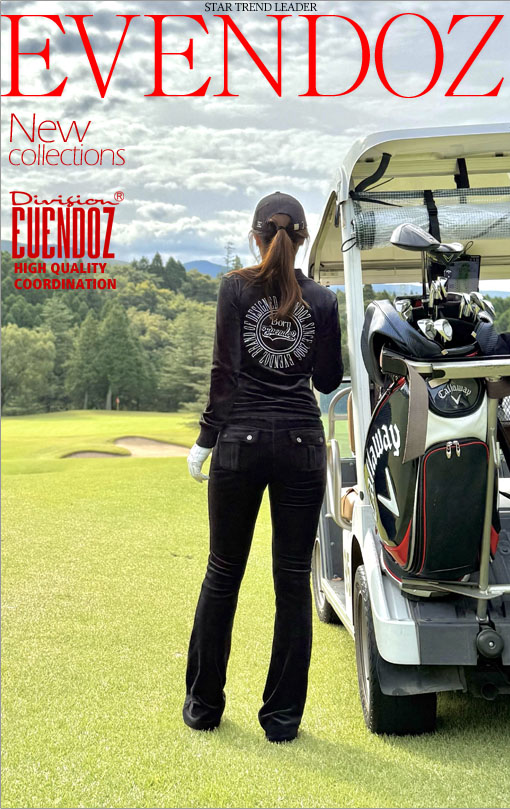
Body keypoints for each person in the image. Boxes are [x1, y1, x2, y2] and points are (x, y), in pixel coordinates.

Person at [184, 191, 344, 743]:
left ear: (256, 237)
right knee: (293, 579)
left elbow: (224, 373)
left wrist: (205, 439)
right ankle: (281, 720)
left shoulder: (235, 288)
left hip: (240, 443)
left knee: (223, 572)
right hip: (302, 444)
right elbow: (328, 380)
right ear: (301, 239)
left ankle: (203, 707)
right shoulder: (322, 300)